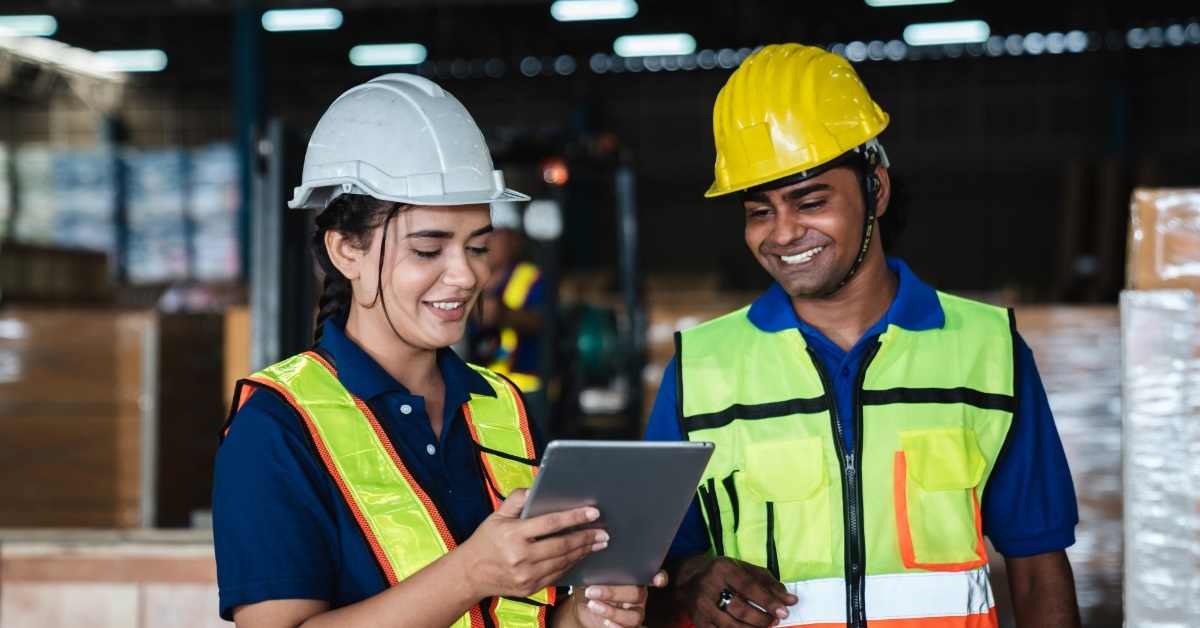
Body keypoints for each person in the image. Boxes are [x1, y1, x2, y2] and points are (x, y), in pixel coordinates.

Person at [643, 44, 1081, 627]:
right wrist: (691, 582)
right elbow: (650, 570)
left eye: (811, 201)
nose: (784, 233)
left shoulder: (987, 351)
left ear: (875, 189)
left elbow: (1038, 566)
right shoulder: (701, 369)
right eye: (759, 211)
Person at [213, 74, 663, 628]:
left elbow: (531, 616)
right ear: (345, 251)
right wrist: (472, 572)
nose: (466, 274)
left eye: (478, 247)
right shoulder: (278, 426)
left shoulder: (502, 405)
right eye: (429, 249)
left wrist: (588, 614)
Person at [470, 202, 547, 394]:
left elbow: (548, 321)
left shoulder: (532, 279)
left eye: (494, 232)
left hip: (527, 395)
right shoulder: (464, 277)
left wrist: (503, 315)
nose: (485, 240)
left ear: (515, 239)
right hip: (477, 393)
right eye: (478, 233)